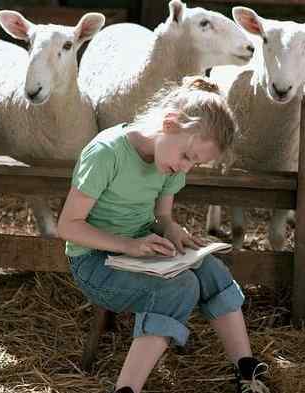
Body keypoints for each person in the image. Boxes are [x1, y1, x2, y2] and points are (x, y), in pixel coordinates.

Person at [57, 76, 270, 393]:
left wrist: (170, 228)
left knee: (212, 270)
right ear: (169, 123)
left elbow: (161, 216)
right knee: (179, 288)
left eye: (195, 164)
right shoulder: (106, 153)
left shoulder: (170, 163)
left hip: (142, 250)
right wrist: (129, 245)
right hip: (94, 262)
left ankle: (247, 371)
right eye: (187, 156)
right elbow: (68, 226)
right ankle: (126, 388)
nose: (186, 168)